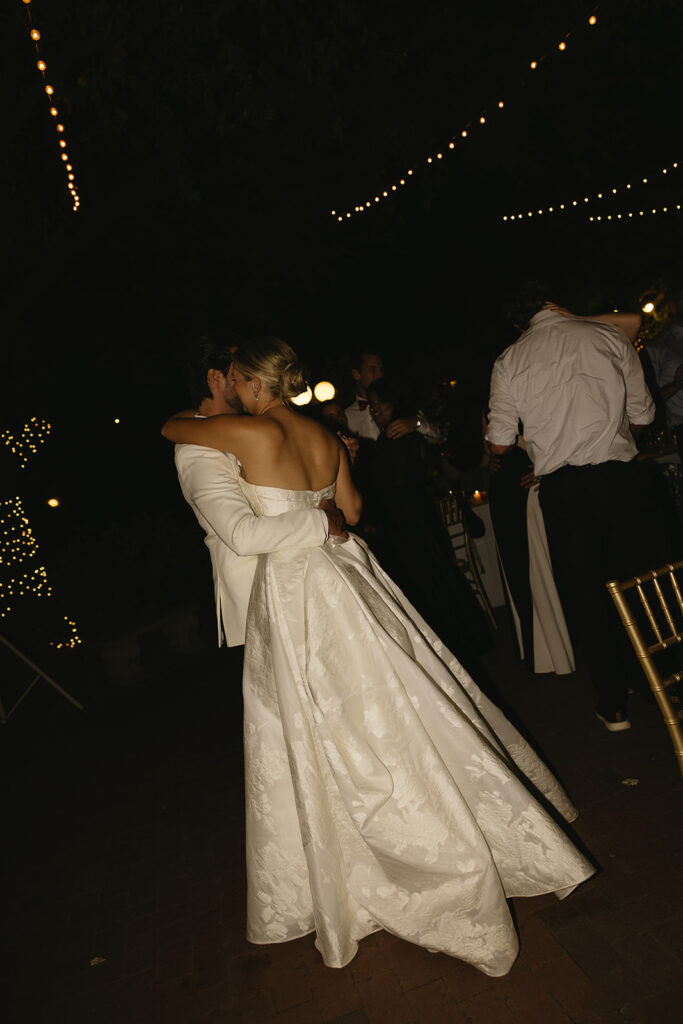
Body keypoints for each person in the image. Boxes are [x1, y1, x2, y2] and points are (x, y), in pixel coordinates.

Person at [162, 337, 594, 976]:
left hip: (297, 586)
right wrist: (324, 507)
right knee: (404, 696)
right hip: (350, 573)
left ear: (254, 385)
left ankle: (407, 858)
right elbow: (354, 511)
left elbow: (184, 434)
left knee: (332, 723)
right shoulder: (325, 434)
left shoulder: (241, 436)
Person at [487, 290, 667, 732]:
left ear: (517, 323)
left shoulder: (509, 361)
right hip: (621, 479)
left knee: (587, 594)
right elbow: (644, 414)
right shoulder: (605, 335)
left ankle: (614, 703)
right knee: (643, 579)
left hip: (564, 492)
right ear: (555, 301)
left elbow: (499, 443)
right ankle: (666, 680)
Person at [174, 336, 345, 647]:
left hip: (315, 583)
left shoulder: (255, 430)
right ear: (215, 378)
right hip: (263, 603)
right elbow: (242, 534)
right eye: (236, 372)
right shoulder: (196, 451)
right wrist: (322, 522)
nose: (247, 378)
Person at [363, 375, 491, 672]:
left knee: (431, 577)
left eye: (379, 402)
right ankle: (461, 642)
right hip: (411, 519)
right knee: (433, 576)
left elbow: (405, 476)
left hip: (410, 520)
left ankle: (457, 643)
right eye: (372, 404)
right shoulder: (388, 436)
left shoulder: (402, 433)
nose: (375, 409)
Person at [345, 348, 441, 442]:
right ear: (356, 374)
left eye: (381, 370)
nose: (379, 375)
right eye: (372, 369)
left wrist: (416, 424)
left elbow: (436, 435)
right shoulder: (346, 416)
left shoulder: (399, 403)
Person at [645, 281, 683, 460]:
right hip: (677, 434)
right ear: (673, 307)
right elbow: (647, 400)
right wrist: (675, 385)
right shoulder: (658, 347)